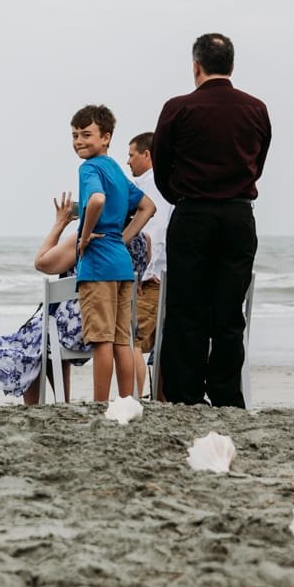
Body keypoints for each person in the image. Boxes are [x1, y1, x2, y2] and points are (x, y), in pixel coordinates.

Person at [152, 33, 271, 408]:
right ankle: (225, 392)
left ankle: (186, 393)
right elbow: (259, 161)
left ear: (196, 66)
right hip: (238, 215)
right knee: (229, 308)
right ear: (231, 66)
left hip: (192, 213)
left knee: (187, 306)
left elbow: (161, 163)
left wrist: (180, 196)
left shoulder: (178, 107)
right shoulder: (256, 108)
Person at [0, 194, 90, 404]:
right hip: (106, 323)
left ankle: (33, 406)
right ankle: (62, 400)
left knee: (29, 345)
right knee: (42, 337)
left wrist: (59, 223)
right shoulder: (139, 240)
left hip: (74, 328)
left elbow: (42, 263)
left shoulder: (83, 238)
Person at [71, 105, 154, 401]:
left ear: (106, 138)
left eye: (86, 135)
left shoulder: (90, 168)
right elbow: (148, 207)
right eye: (75, 135)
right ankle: (127, 400)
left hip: (99, 264)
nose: (79, 141)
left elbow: (95, 199)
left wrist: (83, 237)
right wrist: (123, 237)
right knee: (122, 339)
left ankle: (100, 403)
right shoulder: (117, 170)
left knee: (101, 339)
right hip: (121, 263)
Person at [125, 132, 170, 397]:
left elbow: (156, 231)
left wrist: (144, 272)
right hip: (153, 275)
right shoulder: (149, 185)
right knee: (145, 342)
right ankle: (149, 397)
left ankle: (133, 399)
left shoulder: (155, 186)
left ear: (147, 155)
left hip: (149, 280)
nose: (128, 162)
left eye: (131, 155)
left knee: (134, 341)